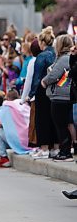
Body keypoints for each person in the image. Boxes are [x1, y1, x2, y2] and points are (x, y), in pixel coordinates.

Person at [41, 34, 74, 162]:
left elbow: (54, 75)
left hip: (61, 96)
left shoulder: (64, 59)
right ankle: (64, 150)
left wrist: (44, 81)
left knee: (60, 125)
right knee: (63, 125)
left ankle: (65, 152)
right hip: (63, 95)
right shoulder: (65, 58)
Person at [29, 27, 57, 159]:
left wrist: (31, 93)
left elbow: (37, 77)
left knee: (42, 119)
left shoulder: (41, 56)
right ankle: (55, 148)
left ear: (42, 42)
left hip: (42, 89)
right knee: (54, 119)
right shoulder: (57, 54)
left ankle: (44, 148)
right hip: (56, 89)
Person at [0, 89, 33, 168]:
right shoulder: (25, 104)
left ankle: (3, 157)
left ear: (7, 98)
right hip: (29, 140)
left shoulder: (8, 106)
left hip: (18, 140)